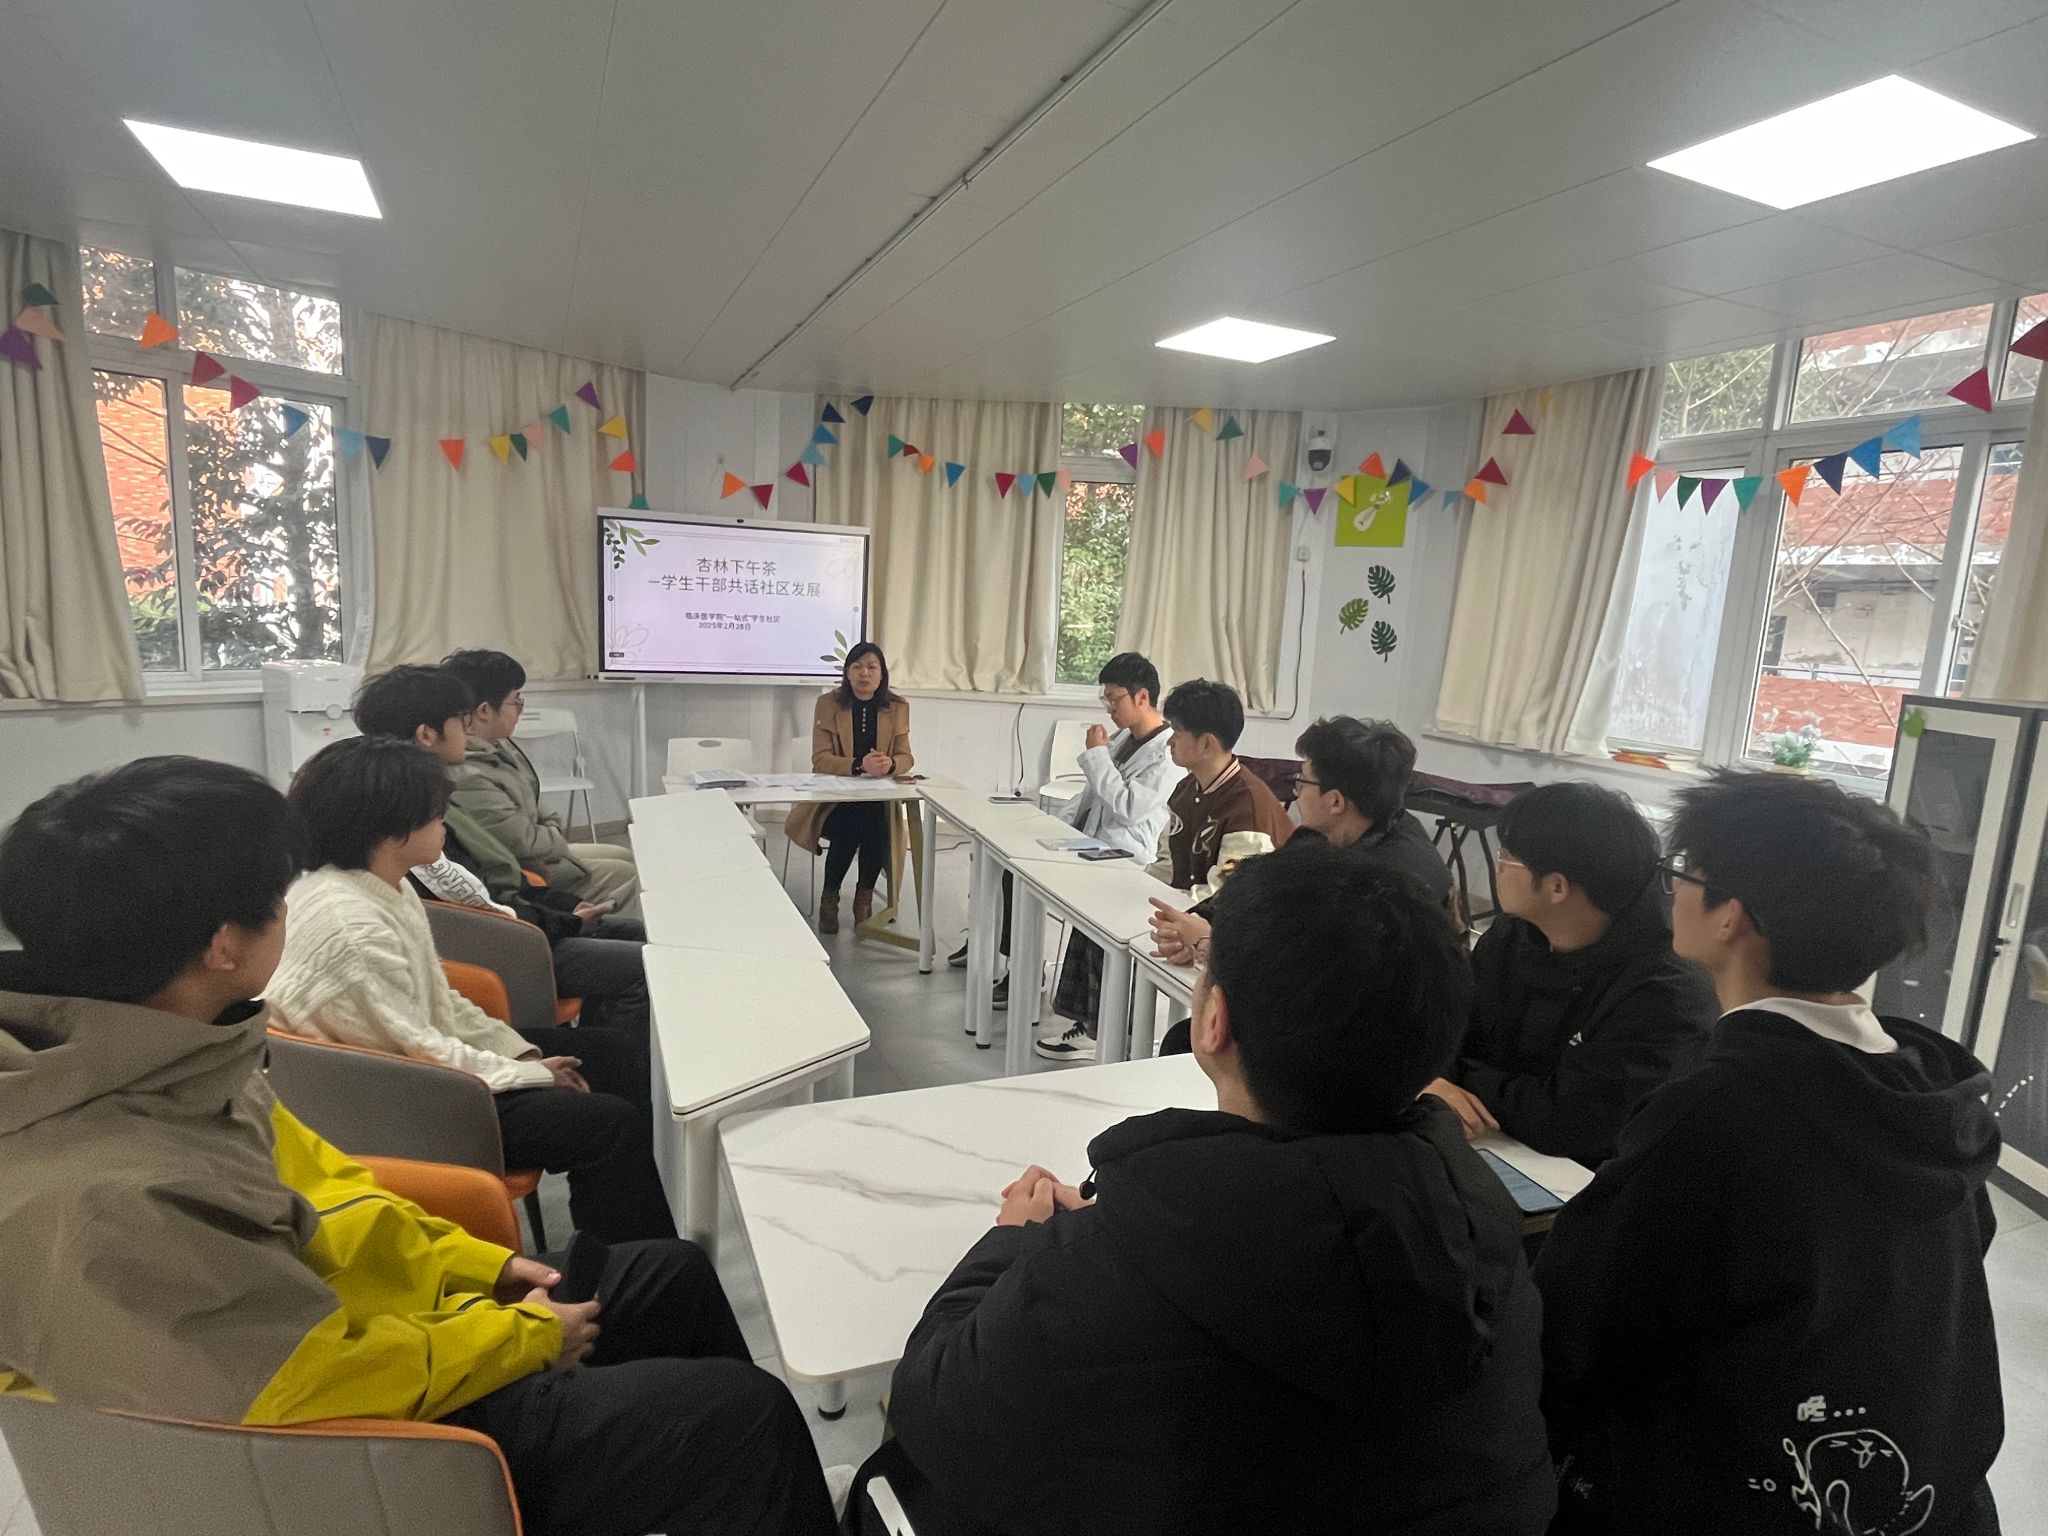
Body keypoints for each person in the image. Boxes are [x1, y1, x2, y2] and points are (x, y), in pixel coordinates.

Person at [0, 756, 838, 1536]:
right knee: (740, 1417)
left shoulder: (174, 1053)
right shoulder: (106, 1191)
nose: (290, 903)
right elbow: (294, 1381)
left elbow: (339, 1198)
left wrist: (485, 1269)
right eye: (275, 892)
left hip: (384, 1336)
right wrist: (522, 1337)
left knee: (671, 1274)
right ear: (224, 944)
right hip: (358, 1452)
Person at [863, 842, 1555, 1536]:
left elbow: (931, 1400)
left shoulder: (1104, 1274)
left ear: (1214, 1020)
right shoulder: (1481, 1223)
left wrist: (1012, 1241)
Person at [1536, 771, 2005, 1535]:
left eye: (1683, 874)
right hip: (1927, 1492)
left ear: (1733, 918)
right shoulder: (1930, 1089)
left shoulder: (1718, 1110)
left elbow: (1585, 1322)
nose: (1672, 892)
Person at [269, 736, 676, 1245]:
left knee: (607, 1053)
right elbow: (418, 1050)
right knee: (606, 1123)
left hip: (407, 1067)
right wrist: (529, 1075)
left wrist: (520, 1053)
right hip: (388, 1103)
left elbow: (439, 1005)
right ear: (390, 828)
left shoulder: (380, 883)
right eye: (436, 812)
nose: (445, 823)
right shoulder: (352, 927)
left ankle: (637, 1228)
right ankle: (629, 1257)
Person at [1421, 782, 1715, 1166]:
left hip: (1583, 1174)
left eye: (1506, 856)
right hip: (1499, 1140)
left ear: (1557, 886)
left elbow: (1568, 1122)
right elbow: (1445, 1024)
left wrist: (1455, 1077)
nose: (1497, 866)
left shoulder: (1664, 992)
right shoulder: (1515, 933)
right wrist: (1435, 1079)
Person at [353, 664, 651, 1039]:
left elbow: (492, 878)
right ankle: (612, 1057)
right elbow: (477, 907)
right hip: (512, 945)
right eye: (460, 721)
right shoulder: (410, 812)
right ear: (427, 734)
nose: (468, 732)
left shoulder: (427, 790)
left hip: (522, 921)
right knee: (650, 964)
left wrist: (567, 910)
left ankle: (603, 1038)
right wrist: (568, 920)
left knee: (645, 935)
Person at [1148, 715, 1450, 995]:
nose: (1295, 792)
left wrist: (1211, 944)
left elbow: (1305, 968)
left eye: (1302, 782)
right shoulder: (1330, 831)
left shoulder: (1385, 883)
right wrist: (1199, 922)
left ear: (1335, 801)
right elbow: (1260, 883)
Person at [1026, 652, 1179, 1062]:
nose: (1108, 707)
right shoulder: (1124, 739)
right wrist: (1055, 826)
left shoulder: (1166, 753)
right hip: (1097, 849)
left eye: (1114, 698)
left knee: (1102, 946)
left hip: (1130, 858)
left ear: (1142, 696)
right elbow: (1091, 797)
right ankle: (1087, 1024)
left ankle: (1101, 1032)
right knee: (1084, 936)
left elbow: (1129, 807)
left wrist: (1096, 756)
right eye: (1106, 699)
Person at [441, 648, 641, 918]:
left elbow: (535, 796)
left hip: (543, 848)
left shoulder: (498, 743)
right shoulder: (467, 773)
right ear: (485, 710)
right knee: (629, 875)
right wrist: (553, 836)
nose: (520, 711)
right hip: (527, 868)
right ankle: (615, 932)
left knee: (624, 855)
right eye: (516, 702)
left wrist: (550, 828)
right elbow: (521, 843)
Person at [786, 641, 913, 935]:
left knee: (874, 823)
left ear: (882, 674)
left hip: (877, 800)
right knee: (854, 824)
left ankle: (860, 899)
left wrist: (890, 764)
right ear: (847, 672)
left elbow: (907, 757)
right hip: (832, 802)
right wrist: (859, 765)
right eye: (857, 667)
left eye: (871, 667)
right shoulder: (828, 703)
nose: (864, 673)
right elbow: (820, 760)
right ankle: (832, 898)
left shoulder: (897, 707)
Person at [1160, 678, 1293, 890]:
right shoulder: (1186, 789)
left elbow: (1228, 893)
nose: (1170, 741)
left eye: (1176, 732)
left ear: (1207, 743)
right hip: (1184, 904)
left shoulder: (1247, 807)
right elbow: (1168, 866)